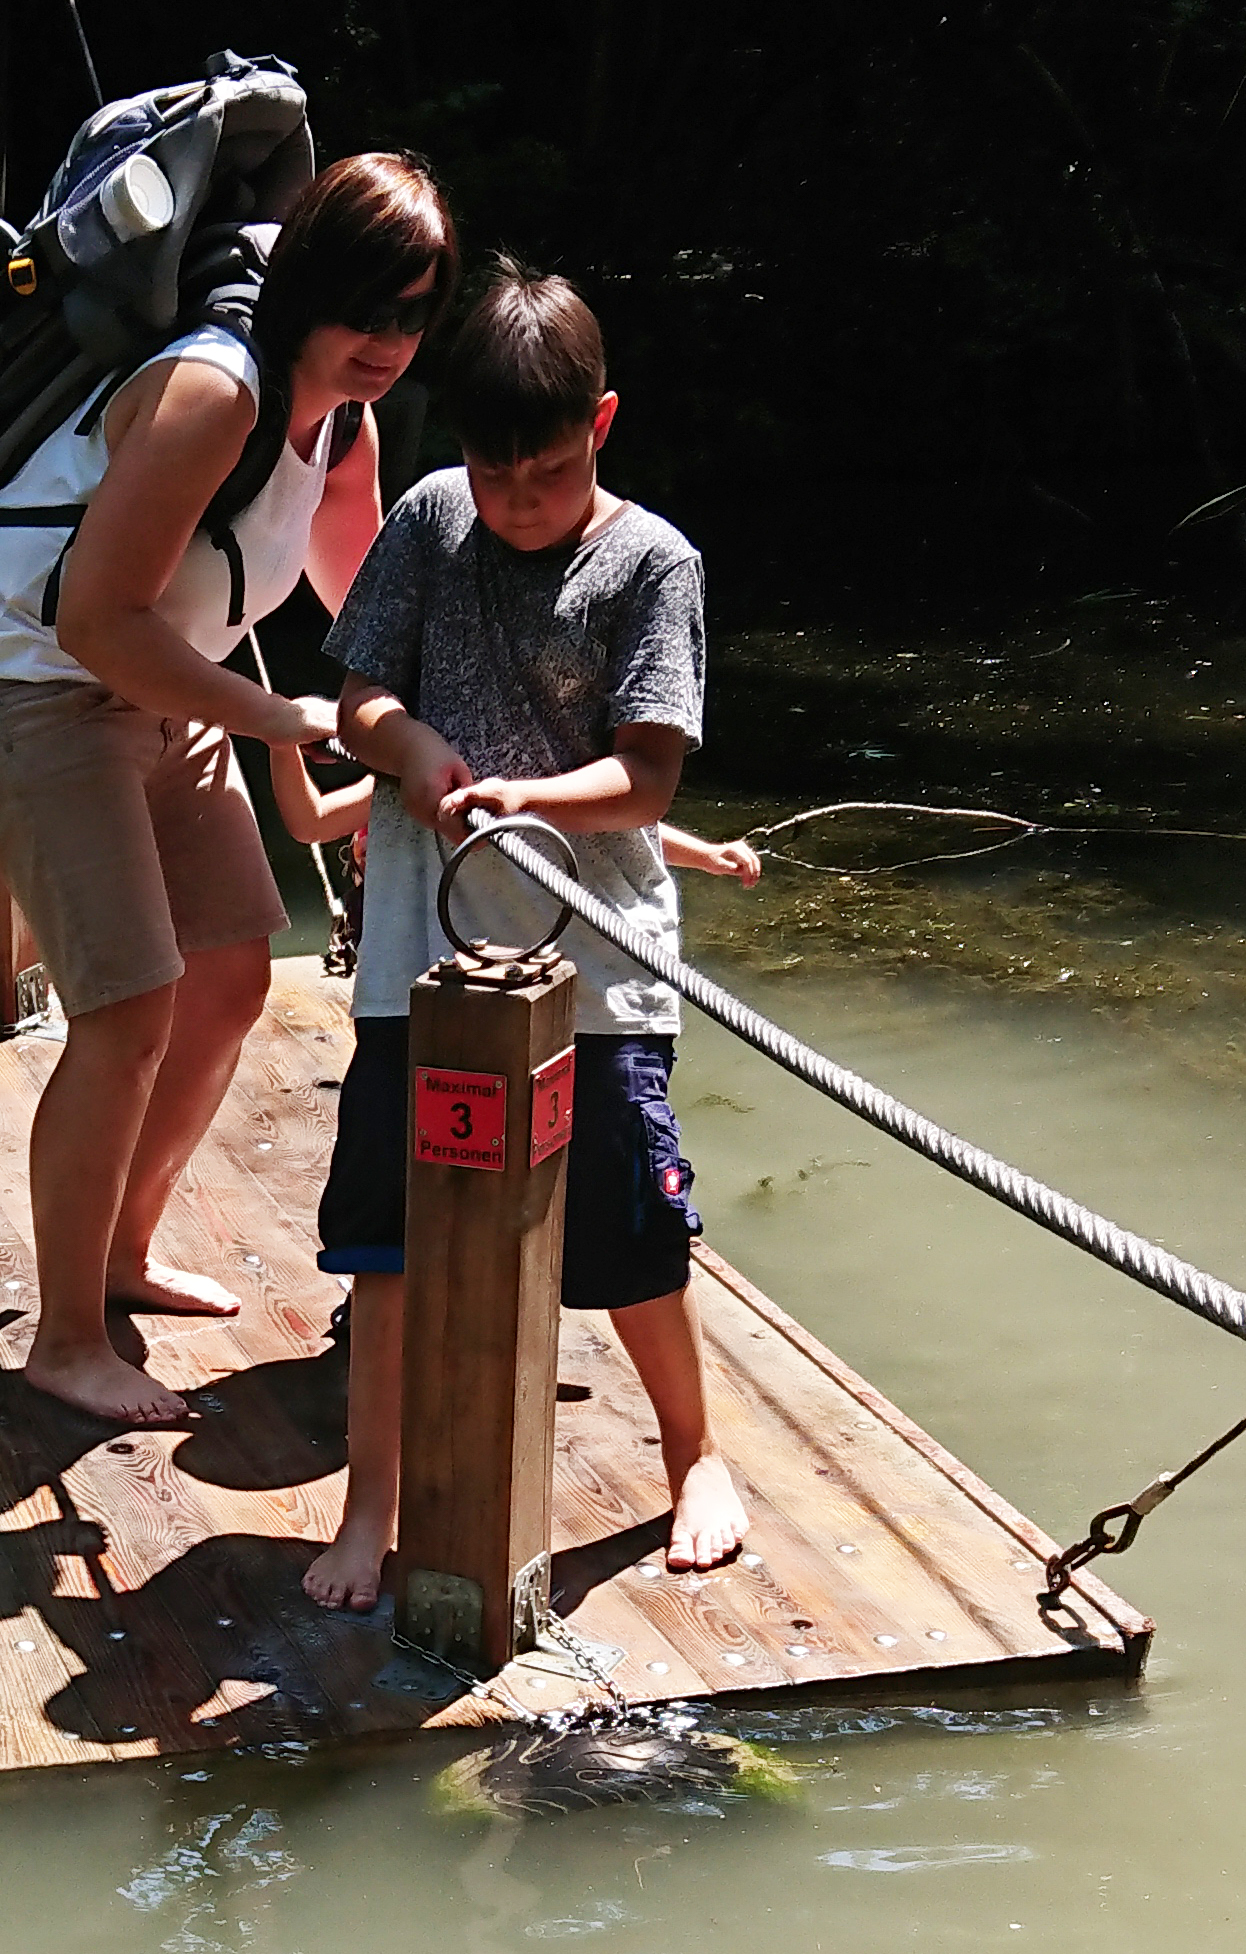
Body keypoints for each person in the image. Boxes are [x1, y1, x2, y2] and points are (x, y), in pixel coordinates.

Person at [0, 149, 459, 1429]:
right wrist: (281, 716)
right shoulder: (214, 392)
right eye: (365, 307)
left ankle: (121, 1255)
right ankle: (66, 1339)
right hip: (52, 696)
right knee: (128, 1010)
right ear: (308, 286)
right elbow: (95, 620)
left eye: (414, 314)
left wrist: (444, 736)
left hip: (173, 696)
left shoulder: (341, 422)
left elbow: (370, 598)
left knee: (231, 976)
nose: (387, 340)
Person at [306, 259, 756, 1609]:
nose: (516, 501)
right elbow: (359, 702)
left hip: (600, 965)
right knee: (386, 1237)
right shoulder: (429, 520)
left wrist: (524, 797)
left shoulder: (652, 561)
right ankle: (371, 1504)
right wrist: (413, 748)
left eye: (548, 474)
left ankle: (695, 1454)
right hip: (419, 960)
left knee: (631, 1229)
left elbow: (649, 778)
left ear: (600, 426)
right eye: (494, 473)